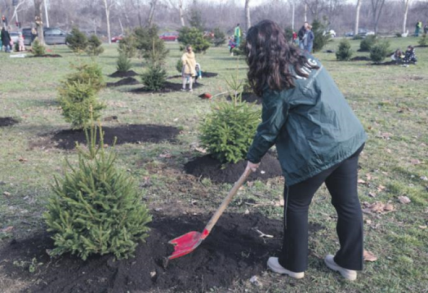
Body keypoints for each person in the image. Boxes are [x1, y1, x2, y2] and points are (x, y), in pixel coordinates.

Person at [244, 20, 367, 281]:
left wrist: (253, 158)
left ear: (259, 50)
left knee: (296, 203)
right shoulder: (305, 58)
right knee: (347, 203)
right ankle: (349, 264)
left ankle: (292, 263)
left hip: (321, 149)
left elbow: (270, 127)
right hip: (348, 137)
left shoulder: (276, 80)